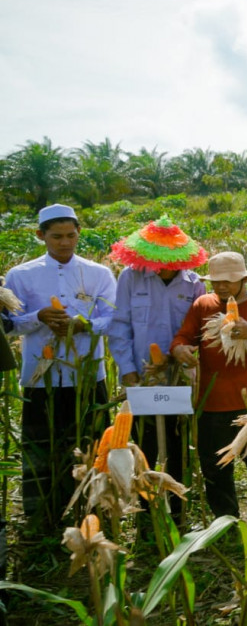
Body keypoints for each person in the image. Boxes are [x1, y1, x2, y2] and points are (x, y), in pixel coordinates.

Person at [4, 204, 115, 533]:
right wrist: (38, 317)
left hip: (87, 375)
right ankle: (42, 518)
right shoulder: (21, 275)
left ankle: (94, 514)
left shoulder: (99, 273)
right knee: (42, 448)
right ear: (41, 235)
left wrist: (84, 325)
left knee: (92, 446)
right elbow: (9, 326)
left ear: (79, 233)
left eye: (70, 235)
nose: (65, 242)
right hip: (41, 377)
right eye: (56, 237)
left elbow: (115, 318)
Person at [171, 252, 247, 525]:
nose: (221, 287)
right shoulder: (203, 305)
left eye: (228, 281)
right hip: (212, 403)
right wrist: (180, 349)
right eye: (216, 281)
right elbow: (184, 336)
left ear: (244, 279)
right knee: (215, 470)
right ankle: (225, 523)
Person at [108, 216, 208, 520]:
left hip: (179, 378)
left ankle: (177, 511)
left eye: (170, 261)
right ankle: (146, 516)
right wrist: (127, 369)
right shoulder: (130, 278)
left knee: (178, 443)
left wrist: (187, 354)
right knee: (144, 442)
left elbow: (199, 331)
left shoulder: (194, 284)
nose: (164, 266)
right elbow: (120, 326)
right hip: (141, 377)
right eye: (158, 260)